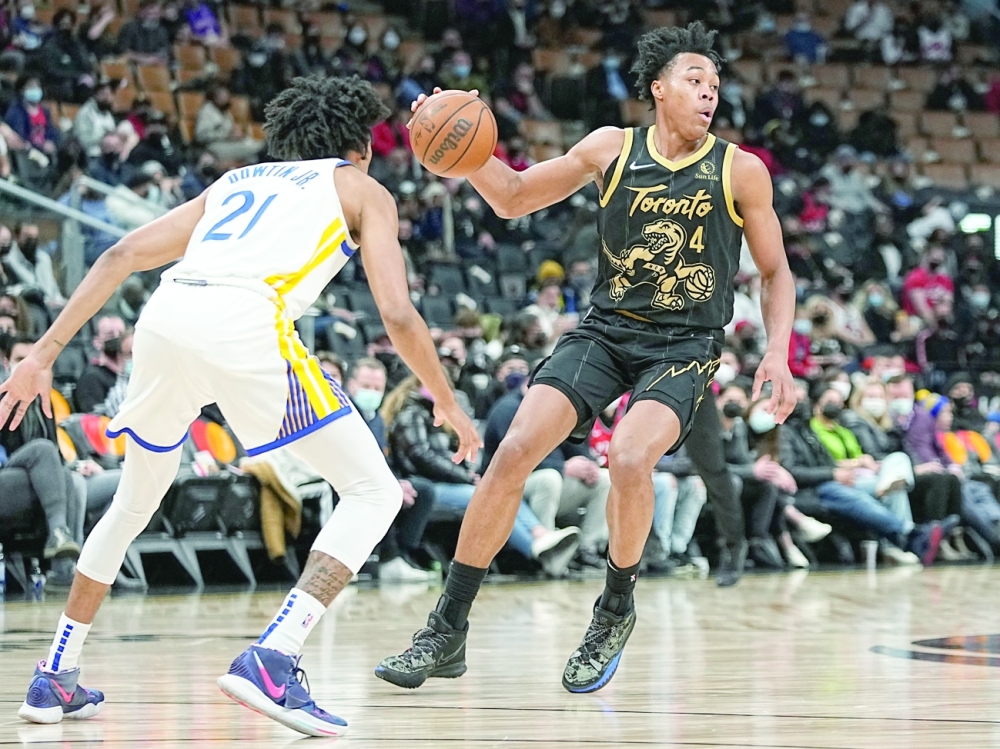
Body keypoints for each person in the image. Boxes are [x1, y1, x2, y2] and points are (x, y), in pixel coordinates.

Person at [6, 74, 480, 737]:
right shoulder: (361, 188)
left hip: (164, 317)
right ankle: (274, 656)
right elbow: (397, 312)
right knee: (373, 491)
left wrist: (42, 353)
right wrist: (449, 402)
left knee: (132, 504)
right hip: (248, 326)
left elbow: (122, 253)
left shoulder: (236, 181)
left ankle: (56, 672)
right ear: (361, 147)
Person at [376, 22, 797, 694]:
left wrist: (777, 352)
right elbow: (513, 197)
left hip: (684, 345)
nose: (708, 93)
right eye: (695, 80)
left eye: (715, 86)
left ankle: (613, 610)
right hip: (605, 331)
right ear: (658, 87)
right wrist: (458, 148)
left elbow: (775, 272)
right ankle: (446, 626)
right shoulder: (610, 148)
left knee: (630, 457)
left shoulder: (739, 169)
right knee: (513, 449)